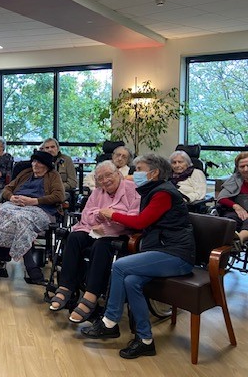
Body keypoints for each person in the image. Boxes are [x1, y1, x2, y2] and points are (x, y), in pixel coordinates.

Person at [81, 154, 194, 360]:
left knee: (120, 266)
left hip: (176, 254)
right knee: (131, 281)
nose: (135, 173)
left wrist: (112, 214)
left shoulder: (163, 193)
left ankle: (110, 321)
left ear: (154, 173)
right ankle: (145, 340)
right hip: (161, 250)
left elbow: (141, 222)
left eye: (139, 169)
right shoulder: (153, 190)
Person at [49, 161, 140, 323]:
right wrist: (99, 215)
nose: (105, 180)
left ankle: (91, 296)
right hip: (96, 230)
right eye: (100, 178)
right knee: (74, 237)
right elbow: (86, 215)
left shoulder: (132, 190)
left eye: (108, 175)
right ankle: (65, 287)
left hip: (121, 233)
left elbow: (134, 216)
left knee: (101, 245)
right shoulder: (98, 192)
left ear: (118, 174)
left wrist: (112, 216)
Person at [0, 150, 64, 284]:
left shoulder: (53, 176)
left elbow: (59, 196)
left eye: (39, 162)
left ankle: (29, 265)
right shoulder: (25, 173)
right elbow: (7, 189)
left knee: (21, 220)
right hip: (15, 205)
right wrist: (11, 197)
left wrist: (34, 201)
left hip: (40, 208)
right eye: (34, 161)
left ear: (46, 166)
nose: (35, 164)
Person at [217, 151, 248, 245]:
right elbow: (221, 198)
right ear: (237, 168)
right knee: (230, 219)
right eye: (242, 167)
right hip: (239, 211)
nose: (246, 169)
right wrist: (236, 206)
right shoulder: (235, 179)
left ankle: (239, 239)